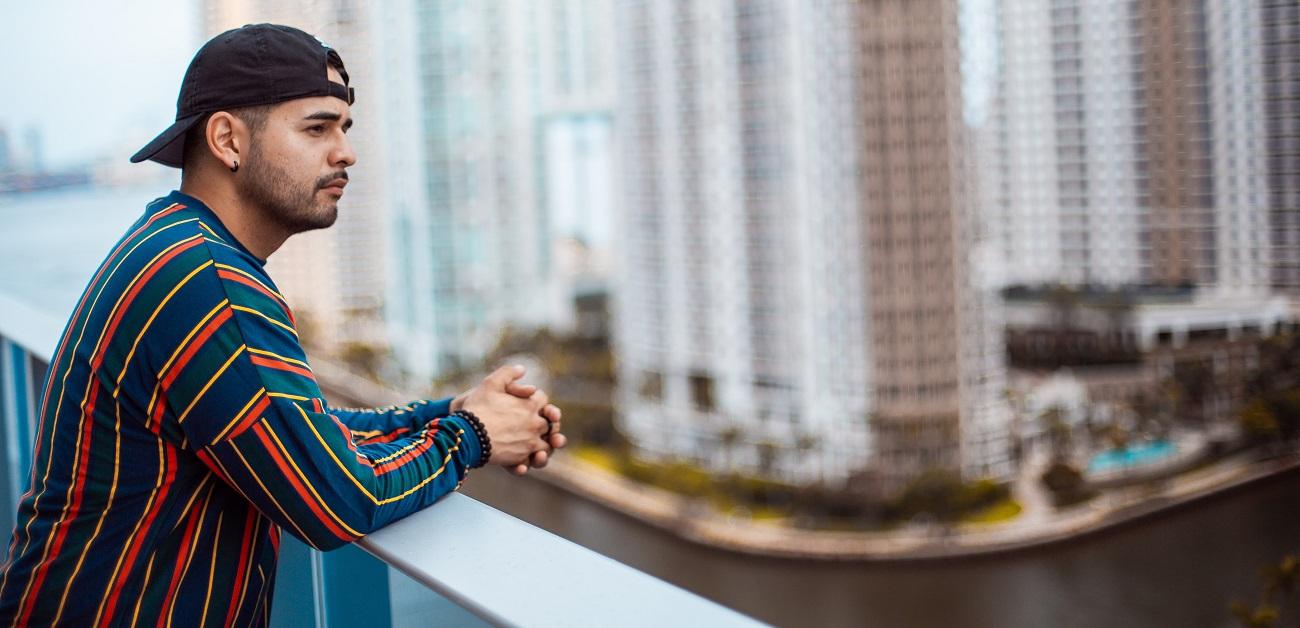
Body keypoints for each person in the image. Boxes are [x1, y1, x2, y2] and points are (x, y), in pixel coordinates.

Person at [0, 23, 565, 626]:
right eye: (317, 128)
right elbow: (332, 500)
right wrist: (473, 436)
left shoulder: (177, 247)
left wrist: (451, 412)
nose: (346, 151)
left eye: (345, 130)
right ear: (227, 139)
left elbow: (295, 433)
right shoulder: (206, 281)